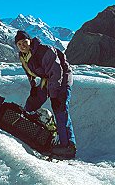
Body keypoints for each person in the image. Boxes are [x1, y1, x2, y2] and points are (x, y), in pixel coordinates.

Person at [15, 30, 76, 158]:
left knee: (60, 110)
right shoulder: (23, 56)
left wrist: (54, 96)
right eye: (19, 44)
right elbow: (29, 72)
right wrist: (33, 87)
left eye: (24, 42)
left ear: (30, 40)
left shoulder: (44, 51)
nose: (22, 46)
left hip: (62, 79)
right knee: (32, 103)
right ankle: (28, 130)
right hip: (47, 79)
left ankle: (68, 146)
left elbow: (56, 71)